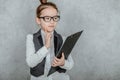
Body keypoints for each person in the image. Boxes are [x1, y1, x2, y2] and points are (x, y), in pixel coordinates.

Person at [26, 0, 74, 80]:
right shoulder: (31, 38)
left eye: (55, 18)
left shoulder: (62, 38)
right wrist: (46, 47)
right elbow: (30, 62)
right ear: (38, 20)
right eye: (47, 18)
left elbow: (71, 64)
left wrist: (63, 63)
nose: (52, 22)